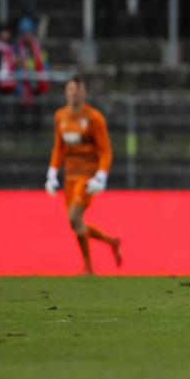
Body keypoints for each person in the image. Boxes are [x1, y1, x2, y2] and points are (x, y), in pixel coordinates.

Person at [45, 74, 121, 275]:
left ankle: (88, 267)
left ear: (84, 93)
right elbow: (59, 148)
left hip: (86, 177)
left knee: (74, 217)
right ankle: (110, 242)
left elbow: (105, 150)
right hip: (69, 176)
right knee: (75, 223)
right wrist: (52, 172)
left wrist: (101, 175)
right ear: (66, 92)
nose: (74, 94)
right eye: (71, 90)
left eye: (78, 90)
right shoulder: (60, 116)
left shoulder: (94, 118)